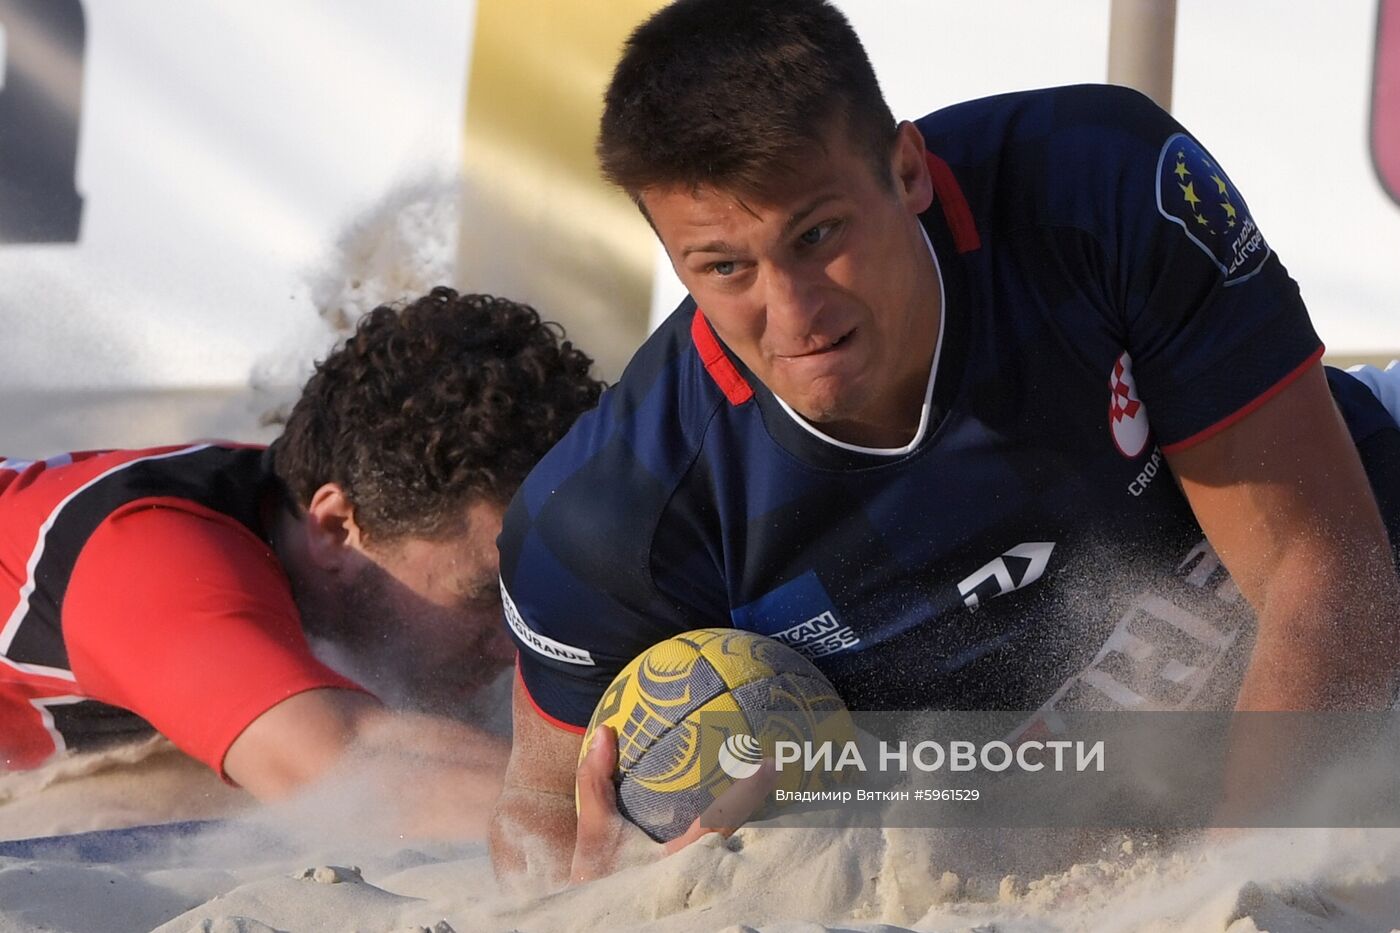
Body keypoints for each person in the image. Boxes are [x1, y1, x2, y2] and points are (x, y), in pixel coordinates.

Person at [491, 0, 1400, 886]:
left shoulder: (1099, 188)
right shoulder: (605, 520)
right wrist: (610, 888)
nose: (796, 311)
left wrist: (1233, 884)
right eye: (725, 268)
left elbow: (1323, 567)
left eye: (819, 234)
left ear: (908, 170)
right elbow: (537, 826)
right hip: (1079, 821)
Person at [0, 287, 604, 836]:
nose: (514, 642)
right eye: (483, 594)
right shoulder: (150, 560)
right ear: (338, 528)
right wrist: (647, 813)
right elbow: (350, 769)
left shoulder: (308, 502)